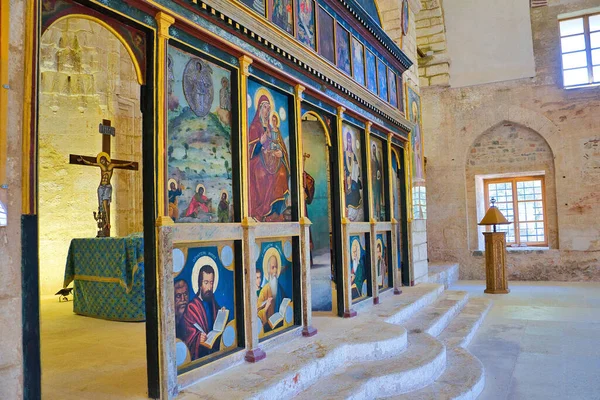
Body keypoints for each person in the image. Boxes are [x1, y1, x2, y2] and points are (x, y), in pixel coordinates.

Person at [248, 95, 290, 221]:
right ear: (259, 109)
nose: (267, 111)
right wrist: (260, 141)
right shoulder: (254, 127)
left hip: (272, 161)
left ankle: (275, 212)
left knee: (282, 172)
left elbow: (279, 145)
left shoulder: (272, 129)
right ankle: (261, 211)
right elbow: (249, 151)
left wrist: (280, 153)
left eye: (269, 108)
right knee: (261, 173)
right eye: (265, 107)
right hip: (257, 160)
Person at [77, 152, 136, 231]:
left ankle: (107, 222)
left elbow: (121, 165)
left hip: (107, 186)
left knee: (105, 202)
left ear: (105, 159)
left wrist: (129, 163)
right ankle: (102, 221)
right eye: (100, 161)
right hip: (101, 187)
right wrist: (83, 160)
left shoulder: (112, 165)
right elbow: (92, 163)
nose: (101, 162)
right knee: (101, 204)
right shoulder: (101, 165)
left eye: (102, 161)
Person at [181, 265, 222, 360]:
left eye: (211, 283)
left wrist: (222, 314)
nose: (209, 287)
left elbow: (218, 320)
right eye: (206, 282)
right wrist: (198, 337)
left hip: (214, 348)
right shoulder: (192, 307)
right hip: (201, 352)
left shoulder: (212, 301)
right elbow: (186, 331)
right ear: (200, 284)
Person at [257, 255, 287, 332]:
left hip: (280, 322)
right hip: (268, 326)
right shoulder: (264, 290)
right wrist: (266, 307)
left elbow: (286, 301)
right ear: (268, 270)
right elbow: (257, 314)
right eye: (273, 267)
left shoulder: (279, 287)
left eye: (277, 267)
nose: (275, 271)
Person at [343, 132, 362, 216]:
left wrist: (356, 167)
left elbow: (357, 168)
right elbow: (343, 166)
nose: (349, 143)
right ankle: (348, 213)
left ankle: (353, 213)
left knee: (355, 188)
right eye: (348, 141)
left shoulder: (353, 155)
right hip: (347, 178)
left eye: (350, 141)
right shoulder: (344, 154)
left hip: (354, 178)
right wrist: (347, 175)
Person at [371, 143, 383, 220]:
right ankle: (375, 213)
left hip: (378, 182)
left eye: (375, 149)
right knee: (375, 197)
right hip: (374, 182)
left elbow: (379, 169)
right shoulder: (372, 160)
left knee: (378, 197)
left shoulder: (376, 159)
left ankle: (379, 213)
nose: (374, 150)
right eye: (373, 149)